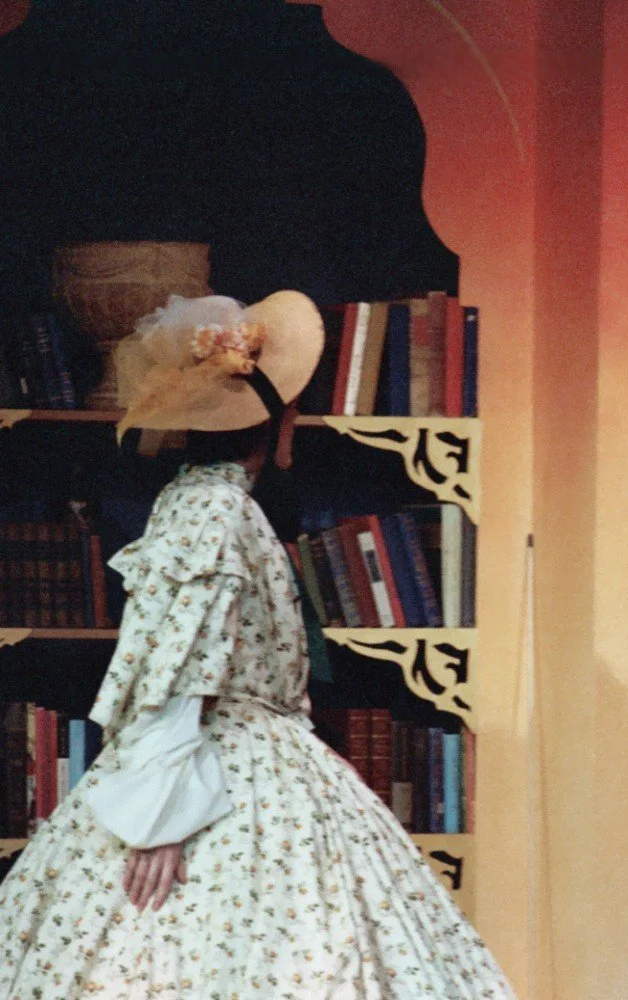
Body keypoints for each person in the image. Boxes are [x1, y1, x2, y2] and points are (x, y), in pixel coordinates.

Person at [0, 292, 513, 998]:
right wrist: (161, 818)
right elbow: (177, 662)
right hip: (228, 763)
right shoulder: (212, 507)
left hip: (258, 752)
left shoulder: (210, 500)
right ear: (283, 420)